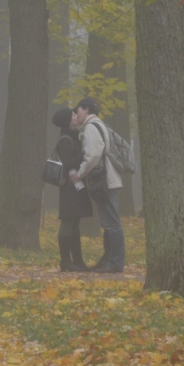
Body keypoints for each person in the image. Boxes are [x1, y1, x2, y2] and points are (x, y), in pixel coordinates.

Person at [68, 97, 125, 273]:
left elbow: (92, 155)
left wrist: (80, 173)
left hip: (104, 181)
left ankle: (115, 262)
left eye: (78, 110)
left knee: (111, 223)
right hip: (107, 179)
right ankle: (108, 259)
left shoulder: (92, 128)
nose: (76, 114)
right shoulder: (98, 126)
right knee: (109, 222)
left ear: (86, 110)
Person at [51, 108, 91, 272]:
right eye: (73, 115)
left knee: (75, 223)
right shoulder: (65, 140)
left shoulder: (73, 136)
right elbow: (67, 163)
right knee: (68, 222)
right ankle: (66, 261)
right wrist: (83, 155)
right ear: (67, 120)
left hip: (76, 186)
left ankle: (78, 261)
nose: (76, 116)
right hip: (69, 187)